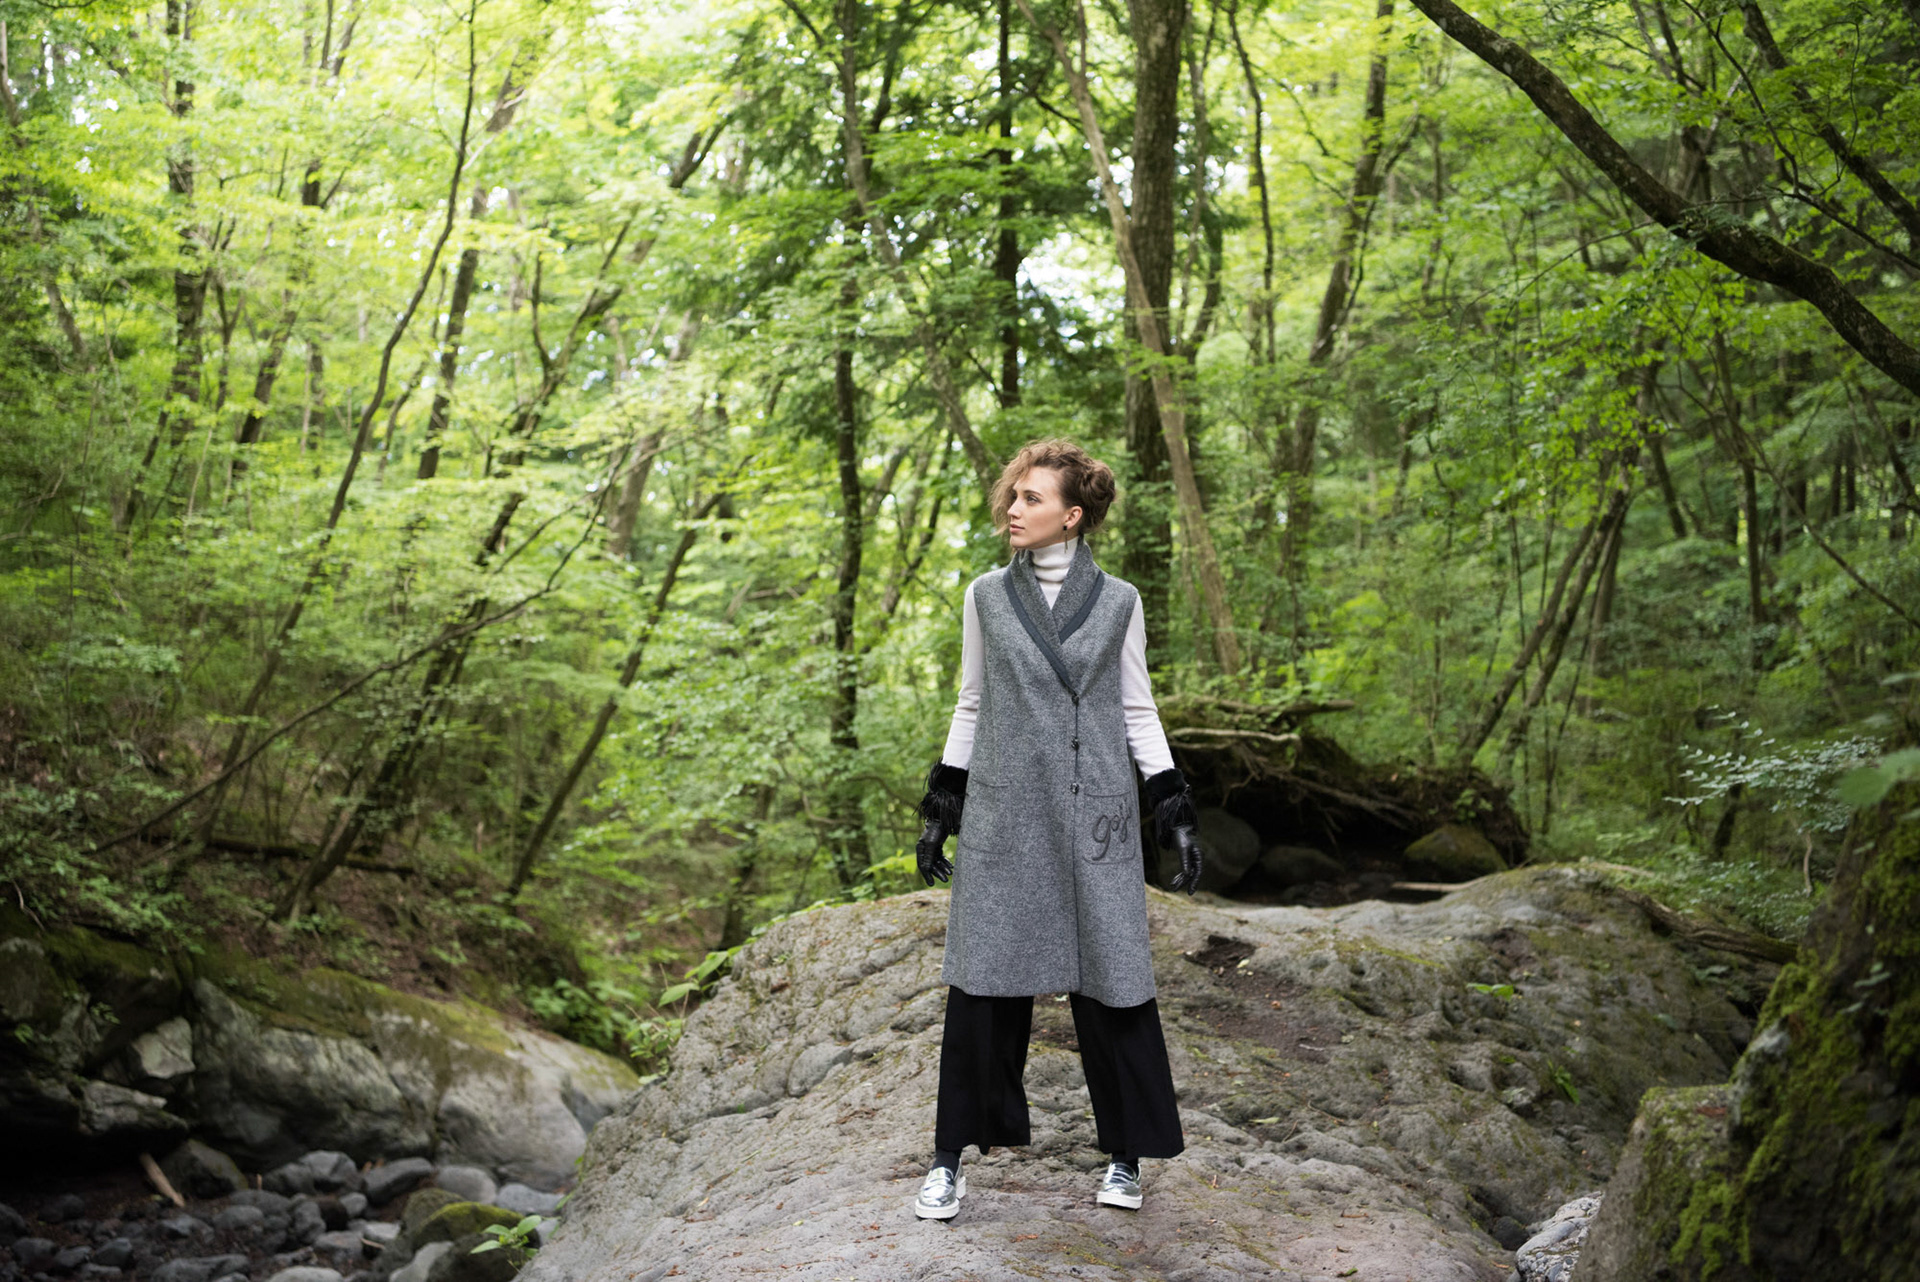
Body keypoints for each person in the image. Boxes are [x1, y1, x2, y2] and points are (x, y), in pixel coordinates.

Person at [909, 438, 1204, 1221]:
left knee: (1114, 979)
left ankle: (1126, 1157)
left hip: (1094, 811)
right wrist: (943, 806)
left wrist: (1172, 805)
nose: (1013, 508)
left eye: (1031, 498)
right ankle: (948, 1159)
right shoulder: (985, 596)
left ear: (1072, 517)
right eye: (1014, 495)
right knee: (981, 979)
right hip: (1006, 812)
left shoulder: (1120, 602)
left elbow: (1136, 707)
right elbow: (972, 700)